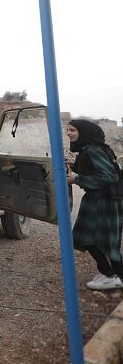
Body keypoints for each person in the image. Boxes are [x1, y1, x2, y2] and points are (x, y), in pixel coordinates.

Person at [66, 119, 123, 290]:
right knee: (90, 239)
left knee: (103, 242)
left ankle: (113, 276)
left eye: (72, 130)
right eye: (67, 130)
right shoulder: (91, 148)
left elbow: (109, 177)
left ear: (84, 132)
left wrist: (77, 179)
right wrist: (74, 165)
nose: (68, 133)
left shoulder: (93, 150)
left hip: (103, 201)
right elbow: (93, 170)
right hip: (99, 199)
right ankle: (110, 274)